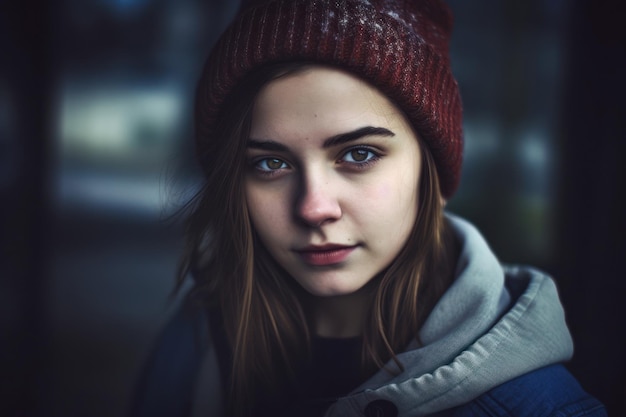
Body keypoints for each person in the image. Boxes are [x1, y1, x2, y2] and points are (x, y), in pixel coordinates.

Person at [130, 0, 607, 416]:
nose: (315, 208)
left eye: (359, 154)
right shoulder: (193, 345)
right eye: (270, 163)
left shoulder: (539, 407)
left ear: (432, 172)